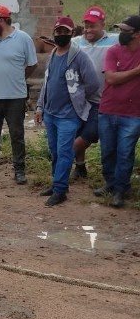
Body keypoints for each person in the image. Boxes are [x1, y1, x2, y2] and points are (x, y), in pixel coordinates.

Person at [35, 16, 102, 206]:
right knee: (55, 152)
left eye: (66, 32)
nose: (62, 35)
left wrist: (79, 101)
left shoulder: (79, 57)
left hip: (69, 116)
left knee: (65, 152)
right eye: (59, 32)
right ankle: (57, 184)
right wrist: (40, 106)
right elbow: (46, 84)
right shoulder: (53, 54)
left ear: (72, 34)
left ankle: (60, 190)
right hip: (50, 114)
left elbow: (93, 84)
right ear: (54, 33)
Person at [0, 4, 38, 184]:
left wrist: (17, 79)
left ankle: (19, 170)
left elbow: (32, 65)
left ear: (0, 20)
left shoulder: (23, 39)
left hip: (15, 97)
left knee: (17, 135)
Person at [96, 15, 140, 208]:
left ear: (137, 34)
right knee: (107, 151)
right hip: (108, 109)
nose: (121, 34)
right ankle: (110, 183)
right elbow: (112, 79)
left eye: (125, 31)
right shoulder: (113, 51)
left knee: (125, 153)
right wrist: (138, 71)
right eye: (120, 30)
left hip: (133, 113)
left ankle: (121, 189)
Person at [70, 6, 117, 179]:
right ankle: (80, 167)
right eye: (87, 25)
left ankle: (65, 154)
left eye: (93, 25)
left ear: (103, 24)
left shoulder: (115, 40)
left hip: (102, 100)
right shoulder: (76, 42)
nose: (89, 29)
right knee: (79, 132)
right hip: (80, 99)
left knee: (88, 134)